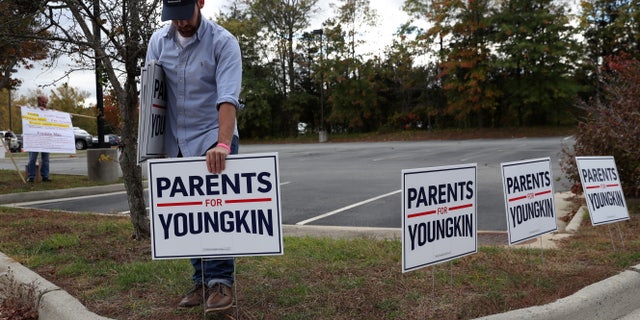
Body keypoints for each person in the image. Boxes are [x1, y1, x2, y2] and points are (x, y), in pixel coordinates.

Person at [146, 0, 243, 314]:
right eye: (172, 16)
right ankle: (201, 281)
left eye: (184, 14)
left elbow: (227, 98)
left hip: (213, 137)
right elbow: (152, 95)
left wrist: (222, 145)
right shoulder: (158, 42)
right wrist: (152, 147)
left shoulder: (223, 42)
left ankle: (221, 282)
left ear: (200, 2)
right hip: (175, 141)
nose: (180, 23)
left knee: (216, 216)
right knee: (189, 218)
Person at [27, 95, 52, 183]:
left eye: (45, 102)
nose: (44, 104)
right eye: (42, 102)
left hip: (45, 139)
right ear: (38, 101)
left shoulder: (49, 112)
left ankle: (45, 176)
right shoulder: (31, 111)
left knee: (46, 159)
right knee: (32, 159)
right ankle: (31, 176)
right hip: (34, 139)